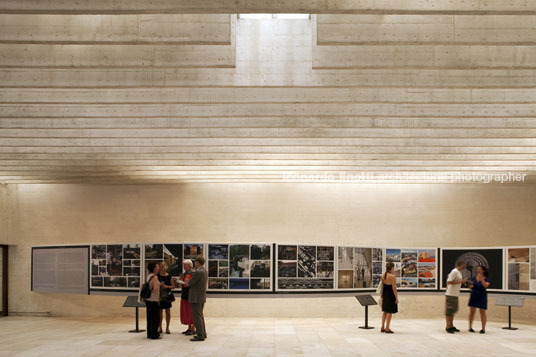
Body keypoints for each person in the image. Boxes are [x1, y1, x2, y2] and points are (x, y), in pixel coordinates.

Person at [186, 255, 207, 341]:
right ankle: (203, 333)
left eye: (195, 262)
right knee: (200, 316)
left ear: (198, 262)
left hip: (196, 297)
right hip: (201, 296)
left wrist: (188, 282)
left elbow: (190, 283)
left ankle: (200, 335)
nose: (194, 263)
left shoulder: (198, 272)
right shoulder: (204, 271)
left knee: (197, 317)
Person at [445, 260, 467, 333]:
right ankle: (448, 326)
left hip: (455, 293)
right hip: (451, 294)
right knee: (449, 310)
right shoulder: (454, 271)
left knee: (453, 310)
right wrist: (461, 282)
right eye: (464, 265)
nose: (465, 266)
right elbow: (449, 281)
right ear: (461, 265)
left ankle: (451, 325)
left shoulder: (458, 272)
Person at [468, 265, 490, 334]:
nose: (478, 270)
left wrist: (482, 279)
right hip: (474, 295)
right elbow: (470, 285)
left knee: (482, 312)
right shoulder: (474, 278)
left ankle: (483, 328)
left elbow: (485, 286)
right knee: (472, 311)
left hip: (482, 296)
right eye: (477, 269)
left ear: (483, 271)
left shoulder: (486, 278)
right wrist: (470, 286)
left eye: (480, 269)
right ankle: (470, 327)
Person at [144, 262, 161, 339]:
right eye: (157, 266)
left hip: (148, 299)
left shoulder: (149, 276)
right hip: (153, 299)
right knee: (155, 317)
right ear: (154, 268)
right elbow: (155, 289)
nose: (158, 268)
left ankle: (150, 333)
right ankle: (154, 334)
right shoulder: (154, 277)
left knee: (149, 317)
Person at [380, 262, 398, 333]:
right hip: (390, 295)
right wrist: (396, 297)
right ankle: (387, 328)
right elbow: (394, 288)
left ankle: (382, 327)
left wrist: (381, 294)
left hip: (385, 294)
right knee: (389, 312)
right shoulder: (392, 276)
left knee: (385, 311)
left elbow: (382, 286)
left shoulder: (383, 275)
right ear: (392, 268)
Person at [158, 261, 175, 334]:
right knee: (159, 312)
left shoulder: (169, 276)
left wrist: (166, 286)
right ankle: (160, 327)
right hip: (159, 295)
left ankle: (167, 327)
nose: (161, 268)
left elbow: (173, 286)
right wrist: (159, 285)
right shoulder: (157, 276)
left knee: (167, 312)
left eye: (162, 266)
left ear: (165, 267)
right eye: (160, 266)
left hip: (167, 295)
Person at [179, 260, 195, 335]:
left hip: (190, 294)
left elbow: (191, 284)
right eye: (183, 265)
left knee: (190, 311)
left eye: (185, 265)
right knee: (186, 311)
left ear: (190, 265)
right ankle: (189, 327)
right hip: (185, 294)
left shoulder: (192, 273)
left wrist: (184, 283)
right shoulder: (185, 273)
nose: (184, 266)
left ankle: (193, 328)